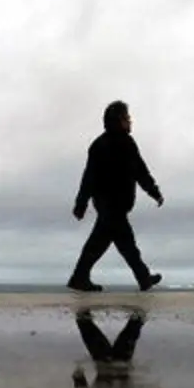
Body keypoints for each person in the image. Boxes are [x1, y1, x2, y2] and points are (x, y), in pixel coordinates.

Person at [68, 100, 164, 292]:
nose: (131, 121)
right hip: (112, 205)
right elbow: (91, 176)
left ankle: (81, 277)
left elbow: (138, 171)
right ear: (119, 120)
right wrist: (154, 192)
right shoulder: (114, 144)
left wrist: (82, 204)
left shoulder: (104, 144)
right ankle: (142, 278)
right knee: (122, 243)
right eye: (127, 118)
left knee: (112, 242)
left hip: (110, 206)